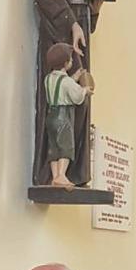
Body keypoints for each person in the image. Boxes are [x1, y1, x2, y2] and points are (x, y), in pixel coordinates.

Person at [33, 0, 103, 187]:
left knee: (81, 97)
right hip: (62, 34)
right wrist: (72, 22)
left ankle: (73, 172)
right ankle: (55, 173)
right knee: (63, 101)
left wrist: (95, 7)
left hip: (79, 26)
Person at [44, 42, 94, 189]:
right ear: (65, 63)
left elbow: (62, 86)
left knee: (54, 147)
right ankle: (61, 175)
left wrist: (74, 77)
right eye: (71, 59)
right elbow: (76, 96)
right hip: (63, 116)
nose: (72, 61)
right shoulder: (66, 81)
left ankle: (55, 176)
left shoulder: (48, 79)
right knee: (65, 146)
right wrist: (84, 90)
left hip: (51, 116)